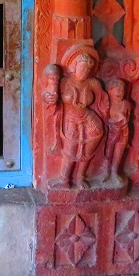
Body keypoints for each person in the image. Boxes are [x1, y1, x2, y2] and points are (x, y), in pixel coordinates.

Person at [45, 44, 109, 189]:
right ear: (73, 66)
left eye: (88, 69)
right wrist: (48, 97)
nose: (85, 72)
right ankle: (64, 179)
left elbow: (102, 100)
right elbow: (49, 95)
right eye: (82, 68)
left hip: (88, 117)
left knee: (90, 146)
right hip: (70, 119)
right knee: (70, 150)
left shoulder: (93, 83)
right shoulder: (64, 83)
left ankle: (81, 177)